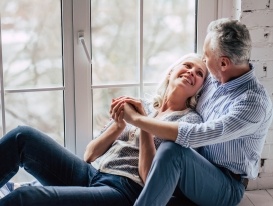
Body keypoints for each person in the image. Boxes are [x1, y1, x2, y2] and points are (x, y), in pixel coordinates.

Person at [0, 53, 207, 206]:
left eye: (199, 74)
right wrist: (119, 125)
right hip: (93, 174)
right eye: (187, 65)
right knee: (22, 137)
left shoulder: (190, 122)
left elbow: (149, 179)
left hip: (124, 191)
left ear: (199, 89)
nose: (191, 72)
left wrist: (143, 124)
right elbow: (89, 154)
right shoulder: (143, 105)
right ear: (171, 71)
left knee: (24, 198)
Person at [111, 18, 273, 206]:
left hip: (226, 185)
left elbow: (193, 135)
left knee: (172, 150)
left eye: (206, 56)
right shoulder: (214, 78)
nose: (203, 60)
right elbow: (179, 84)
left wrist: (137, 119)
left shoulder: (253, 104)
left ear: (223, 63)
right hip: (193, 167)